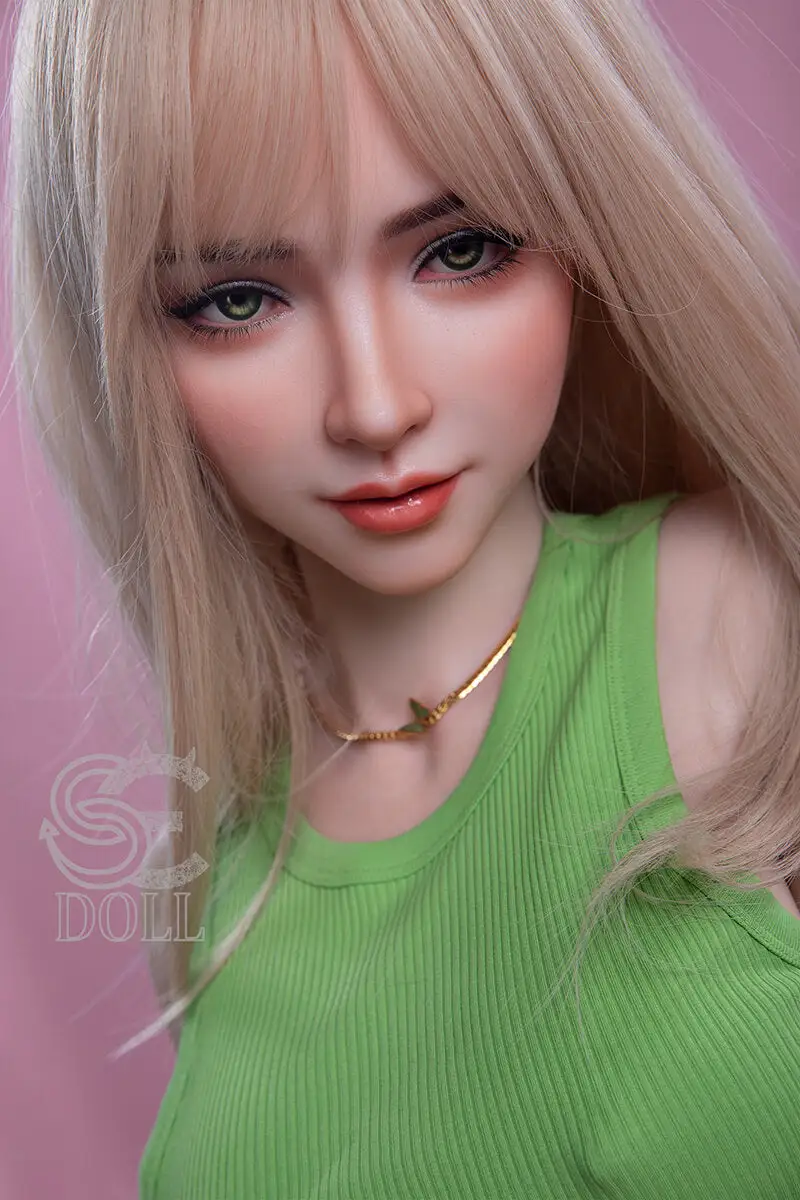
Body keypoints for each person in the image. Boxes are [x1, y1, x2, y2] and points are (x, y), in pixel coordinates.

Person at [7, 0, 800, 1196]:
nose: (374, 407)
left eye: (461, 250)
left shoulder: (744, 622)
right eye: (236, 300)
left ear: (587, 226)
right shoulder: (219, 871)